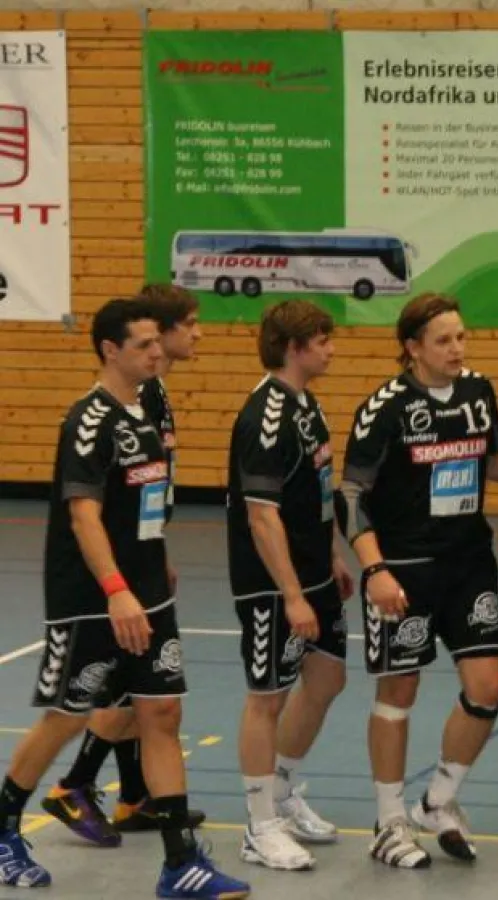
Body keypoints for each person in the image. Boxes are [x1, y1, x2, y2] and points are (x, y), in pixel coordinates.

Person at [0, 298, 248, 897]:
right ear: (111, 350)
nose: (157, 352)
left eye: (157, 342)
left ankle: (179, 863)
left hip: (147, 592)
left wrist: (156, 559)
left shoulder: (143, 413)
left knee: (161, 713)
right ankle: (4, 827)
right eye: (144, 345)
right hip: (93, 597)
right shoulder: (89, 421)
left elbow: (142, 500)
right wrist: (116, 591)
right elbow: (84, 515)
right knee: (68, 716)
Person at [336, 292, 498, 869]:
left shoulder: (478, 392)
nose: (457, 349)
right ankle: (389, 821)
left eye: (461, 337)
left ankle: (438, 801)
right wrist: (375, 569)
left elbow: (493, 460)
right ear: (413, 347)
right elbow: (350, 494)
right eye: (444, 340)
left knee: (488, 686)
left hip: (468, 564)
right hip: (404, 571)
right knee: (399, 691)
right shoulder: (385, 408)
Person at [40, 284, 206, 846]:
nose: (196, 334)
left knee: (145, 695)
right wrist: (122, 578)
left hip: (143, 554)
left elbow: (151, 485)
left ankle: (136, 796)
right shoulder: (128, 399)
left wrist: (157, 550)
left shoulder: (151, 393)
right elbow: (99, 502)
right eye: (186, 324)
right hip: (111, 576)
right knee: (122, 693)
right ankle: (72, 785)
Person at [226, 300, 354, 871]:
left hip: (316, 572)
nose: (331, 349)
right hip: (272, 585)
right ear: (294, 348)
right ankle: (259, 826)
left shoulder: (309, 404)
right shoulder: (265, 418)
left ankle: (280, 789)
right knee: (267, 697)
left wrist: (331, 554)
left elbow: (316, 489)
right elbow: (262, 516)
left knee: (327, 678)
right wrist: (293, 595)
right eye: (322, 341)